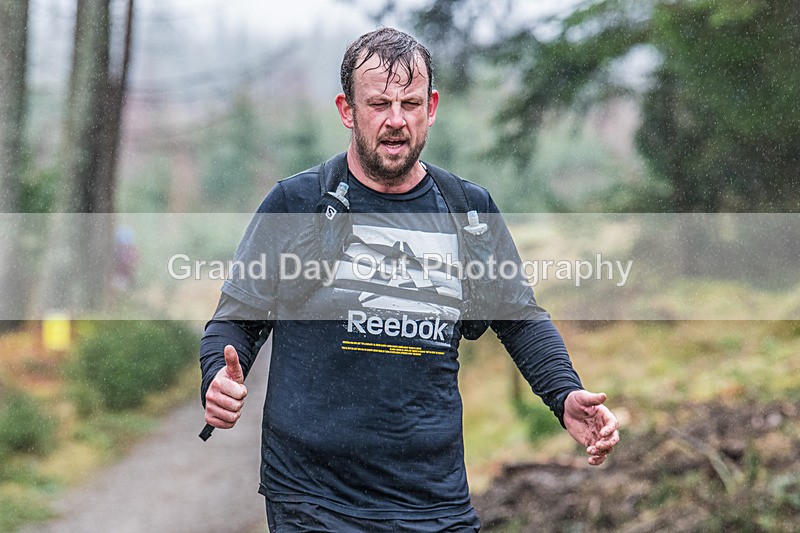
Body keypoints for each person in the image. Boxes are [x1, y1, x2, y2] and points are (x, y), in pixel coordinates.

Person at [200, 27, 619, 532]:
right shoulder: (297, 202)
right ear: (347, 110)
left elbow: (520, 317)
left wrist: (564, 394)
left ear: (431, 106)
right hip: (315, 500)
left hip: (434, 500)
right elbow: (236, 319)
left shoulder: (469, 211)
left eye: (410, 103)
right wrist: (219, 377)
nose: (396, 120)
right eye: (379, 104)